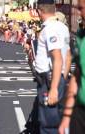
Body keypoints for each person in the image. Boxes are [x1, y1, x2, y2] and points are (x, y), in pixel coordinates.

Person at [35, 0, 70, 133]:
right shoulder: (63, 28)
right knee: (58, 120)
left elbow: (57, 58)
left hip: (49, 80)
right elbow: (68, 56)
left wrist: (54, 88)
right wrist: (62, 78)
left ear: (39, 11)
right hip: (58, 78)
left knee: (48, 125)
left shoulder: (49, 29)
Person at [59, 0, 85, 133]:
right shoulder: (80, 36)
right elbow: (77, 75)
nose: (81, 14)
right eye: (79, 9)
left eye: (83, 9)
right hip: (80, 109)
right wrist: (67, 115)